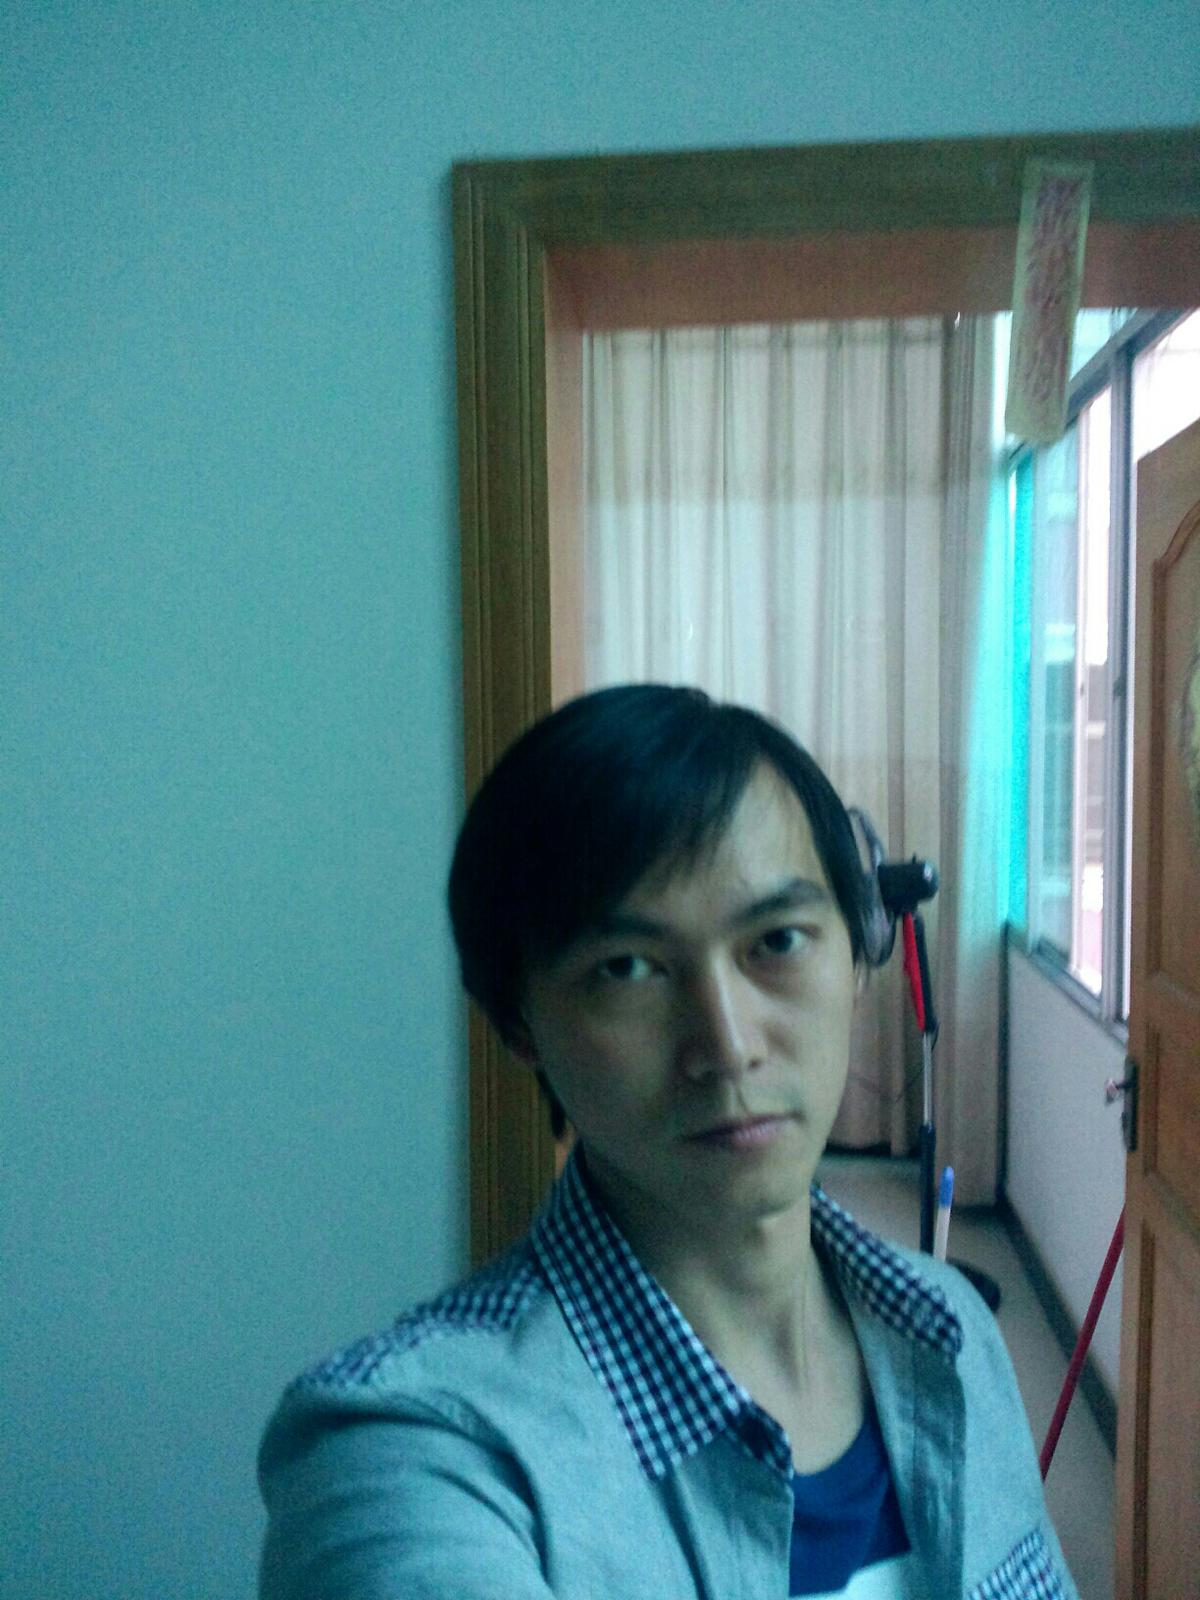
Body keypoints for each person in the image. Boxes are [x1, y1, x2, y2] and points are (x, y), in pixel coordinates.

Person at [257, 684, 1077, 1599]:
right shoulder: (422, 1450)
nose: (727, 1044)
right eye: (628, 968)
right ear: (520, 1022)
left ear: (858, 951)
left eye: (778, 941)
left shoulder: (951, 1330)